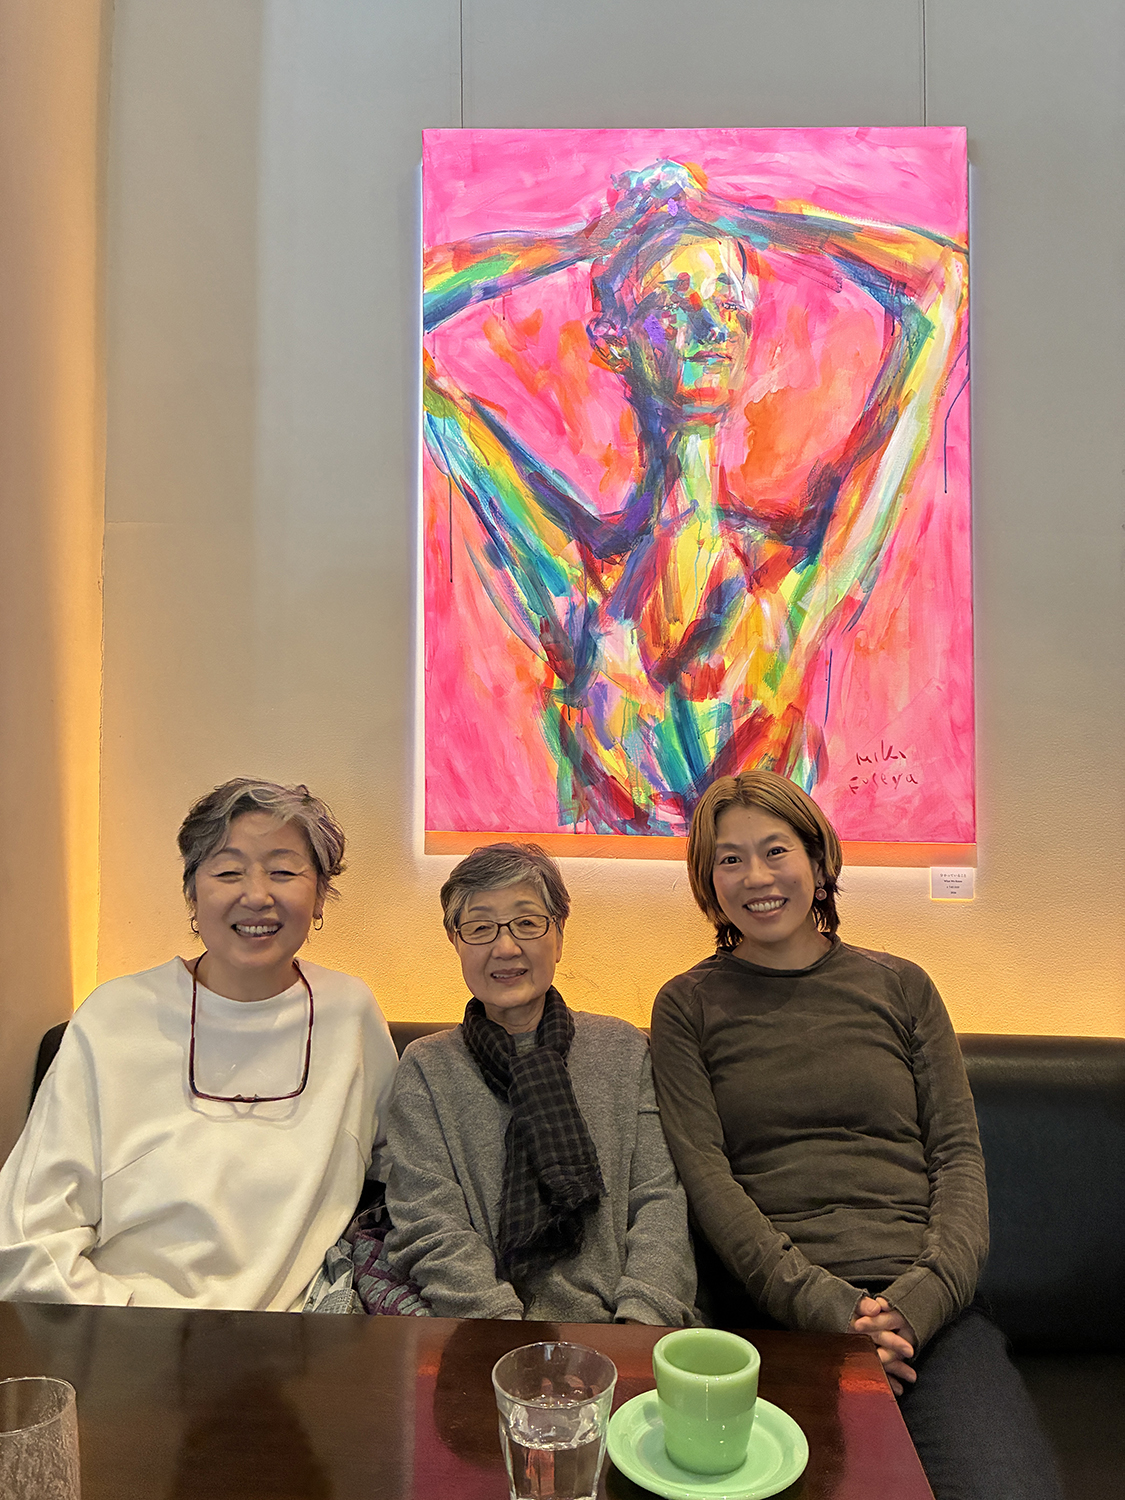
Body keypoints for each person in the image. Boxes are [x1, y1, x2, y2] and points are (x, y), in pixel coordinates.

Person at [425, 159, 968, 832]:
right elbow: (401, 314)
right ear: (612, 342)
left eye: (729, 305)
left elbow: (940, 281)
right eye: (671, 305)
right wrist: (583, 243)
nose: (710, 327)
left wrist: (735, 217)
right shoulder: (575, 579)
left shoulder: (792, 581)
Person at [649, 769, 1061, 1500]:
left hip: (928, 1312)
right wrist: (830, 1312)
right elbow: (708, 1181)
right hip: (774, 1316)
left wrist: (917, 1303)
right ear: (709, 883)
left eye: (775, 850)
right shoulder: (686, 1005)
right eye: (729, 858)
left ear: (818, 860)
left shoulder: (901, 986)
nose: (756, 877)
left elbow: (957, 1158)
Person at [0, 778, 399, 1311]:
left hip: (294, 1340)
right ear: (192, 893)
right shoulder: (114, 1016)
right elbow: (26, 1238)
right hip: (126, 1328)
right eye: (228, 871)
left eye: (283, 872)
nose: (256, 895)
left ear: (320, 895)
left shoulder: (350, 1014)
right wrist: (136, 1334)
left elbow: (407, 1169)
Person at [380, 842, 696, 1324]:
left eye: (527, 923)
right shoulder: (427, 1066)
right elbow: (429, 1225)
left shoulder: (623, 1049)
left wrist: (640, 1323)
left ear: (559, 935)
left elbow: (660, 1203)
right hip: (489, 1332)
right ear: (455, 941)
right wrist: (504, 1335)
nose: (505, 948)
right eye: (480, 928)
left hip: (624, 1330)